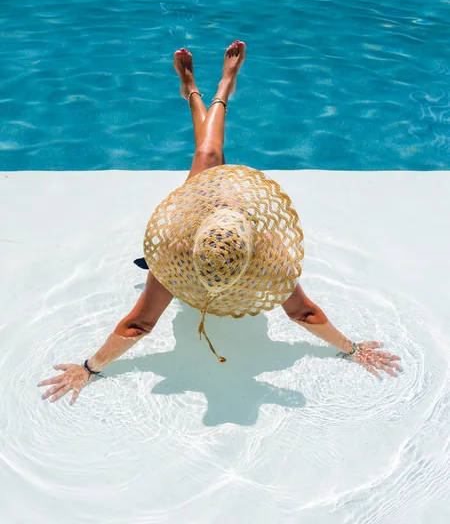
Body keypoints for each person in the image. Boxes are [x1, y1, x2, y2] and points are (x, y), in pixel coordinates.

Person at [39, 41, 400, 405]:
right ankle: (220, 87)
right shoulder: (203, 253)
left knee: (209, 155)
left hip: (201, 234)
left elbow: (138, 324)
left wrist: (90, 368)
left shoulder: (176, 259)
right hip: (201, 226)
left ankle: (196, 92)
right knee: (211, 155)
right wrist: (351, 349)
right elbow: (303, 313)